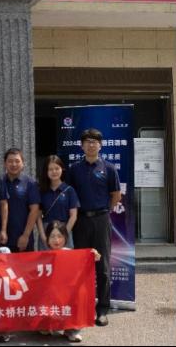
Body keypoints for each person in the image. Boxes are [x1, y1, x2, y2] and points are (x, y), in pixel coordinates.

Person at [67, 128, 121, 327]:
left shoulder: (109, 168)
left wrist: (105, 212)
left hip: (101, 219)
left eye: (94, 141)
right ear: (81, 146)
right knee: (82, 265)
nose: (91, 145)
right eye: (87, 141)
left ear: (100, 145)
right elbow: (69, 195)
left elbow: (116, 195)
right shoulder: (74, 169)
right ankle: (84, 307)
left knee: (103, 267)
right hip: (80, 221)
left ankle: (102, 310)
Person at [43, 221, 100, 342]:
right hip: (51, 296)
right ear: (47, 239)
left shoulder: (72, 254)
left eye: (59, 236)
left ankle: (72, 330)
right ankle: (46, 325)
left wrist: (93, 255)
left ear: (65, 238)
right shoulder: (42, 256)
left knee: (79, 294)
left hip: (67, 295)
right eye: (52, 236)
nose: (56, 240)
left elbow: (90, 260)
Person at [0, 148, 41, 253]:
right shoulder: (0, 181)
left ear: (23, 163)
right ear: (5, 163)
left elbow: (34, 210)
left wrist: (25, 235)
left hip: (22, 238)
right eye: (10, 161)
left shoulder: (30, 183)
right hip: (2, 237)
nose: (14, 164)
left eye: (17, 161)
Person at [36, 155, 80, 250]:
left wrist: (64, 235)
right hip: (47, 232)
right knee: (46, 259)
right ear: (46, 171)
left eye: (57, 168)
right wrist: (43, 236)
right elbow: (38, 216)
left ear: (62, 169)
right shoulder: (41, 191)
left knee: (65, 259)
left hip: (65, 229)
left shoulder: (69, 190)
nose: (54, 172)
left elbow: (73, 216)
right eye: (50, 169)